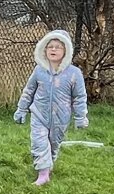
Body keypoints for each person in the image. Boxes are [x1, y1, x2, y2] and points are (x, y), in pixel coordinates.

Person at [14, 28, 89, 185]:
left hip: (61, 118)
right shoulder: (39, 70)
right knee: (39, 142)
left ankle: (48, 165)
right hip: (39, 115)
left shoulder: (74, 73)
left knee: (53, 145)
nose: (53, 49)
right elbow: (28, 91)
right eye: (50, 46)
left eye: (58, 47)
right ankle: (43, 174)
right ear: (44, 49)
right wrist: (21, 109)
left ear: (66, 51)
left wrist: (81, 117)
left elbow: (79, 97)